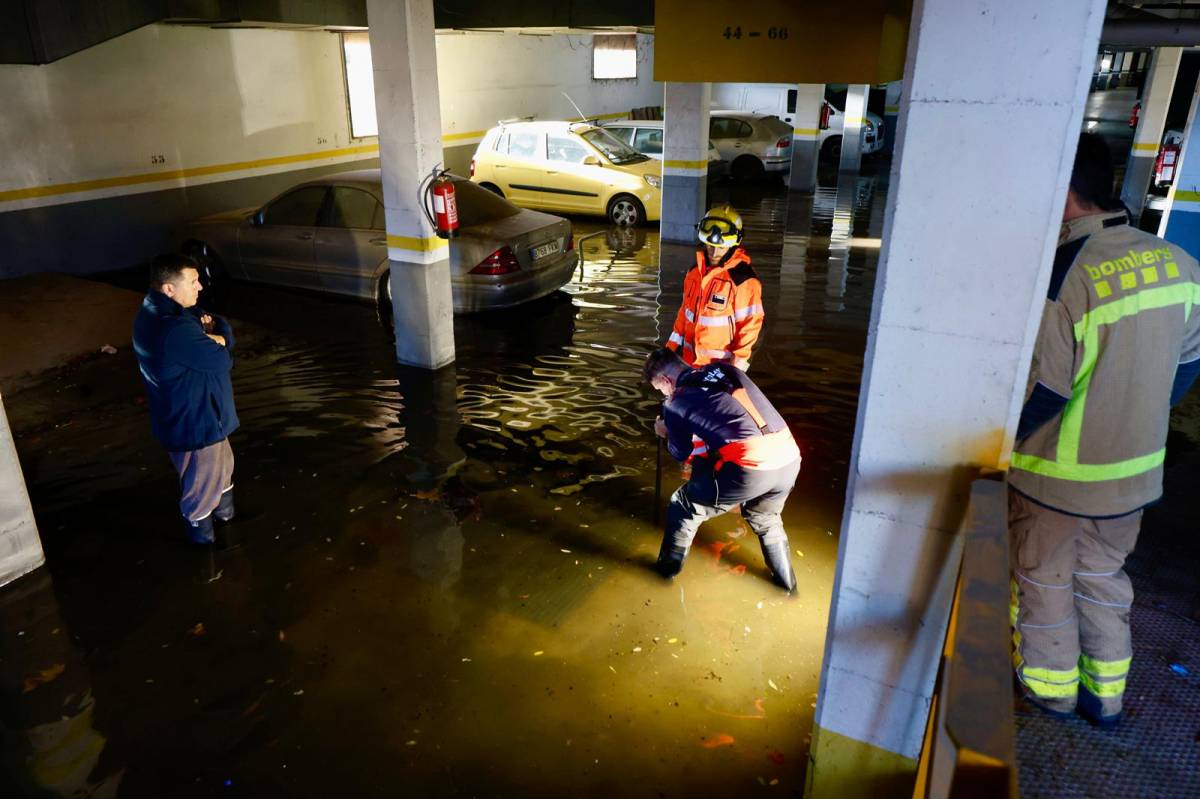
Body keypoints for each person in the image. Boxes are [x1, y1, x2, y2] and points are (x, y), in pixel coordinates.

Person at [1008, 133, 1200, 728]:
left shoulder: (1066, 274)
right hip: (1137, 475)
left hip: (1056, 481)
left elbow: (1046, 392)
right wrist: (1131, 420)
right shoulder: (1178, 263)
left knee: (1043, 584)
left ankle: (1051, 694)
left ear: (1064, 192)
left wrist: (996, 448)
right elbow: (1188, 366)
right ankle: (1106, 698)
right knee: (1104, 579)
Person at [644, 348, 801, 590]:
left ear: (665, 380)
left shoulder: (676, 401)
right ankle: (788, 587)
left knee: (683, 505)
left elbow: (680, 453)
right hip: (789, 456)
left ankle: (663, 577)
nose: (664, 394)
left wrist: (665, 431)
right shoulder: (725, 369)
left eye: (661, 389)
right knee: (766, 517)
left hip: (752, 468)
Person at [133, 253, 240, 545]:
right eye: (193, 282)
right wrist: (219, 337)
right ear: (169, 289)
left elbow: (213, 322)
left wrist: (212, 336)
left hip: (194, 415)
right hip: (199, 422)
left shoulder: (162, 312)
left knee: (221, 472)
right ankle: (206, 547)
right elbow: (223, 359)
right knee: (202, 488)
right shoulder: (174, 329)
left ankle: (225, 521)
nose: (200, 287)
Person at [665, 204, 764, 371]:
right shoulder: (694, 272)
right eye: (710, 245)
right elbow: (684, 313)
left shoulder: (743, 280)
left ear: (733, 244)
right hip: (688, 365)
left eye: (721, 247)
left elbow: (750, 327)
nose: (714, 251)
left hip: (719, 370)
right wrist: (669, 352)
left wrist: (736, 370)